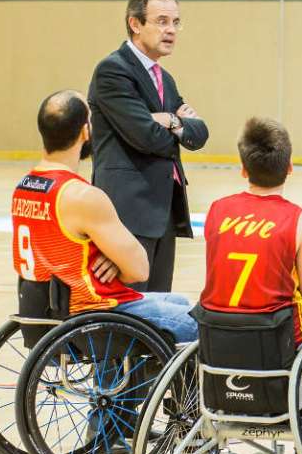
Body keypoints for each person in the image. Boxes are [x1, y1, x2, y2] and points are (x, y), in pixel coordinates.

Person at [11, 90, 197, 342]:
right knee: (198, 323)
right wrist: (117, 259)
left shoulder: (23, 187)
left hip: (46, 312)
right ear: (85, 132)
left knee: (177, 301)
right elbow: (139, 271)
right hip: (96, 313)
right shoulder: (81, 196)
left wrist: (108, 257)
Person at [88, 0, 209, 292]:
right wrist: (176, 122)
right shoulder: (113, 71)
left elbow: (199, 134)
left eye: (176, 22)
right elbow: (146, 137)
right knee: (128, 311)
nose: (171, 30)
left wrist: (169, 121)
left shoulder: (164, 78)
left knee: (157, 306)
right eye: (162, 21)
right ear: (135, 23)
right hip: (127, 210)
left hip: (163, 210)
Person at [200, 117, 302, 346]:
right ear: (289, 168)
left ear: (244, 170)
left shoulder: (217, 209)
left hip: (217, 330)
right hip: (275, 334)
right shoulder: (300, 219)